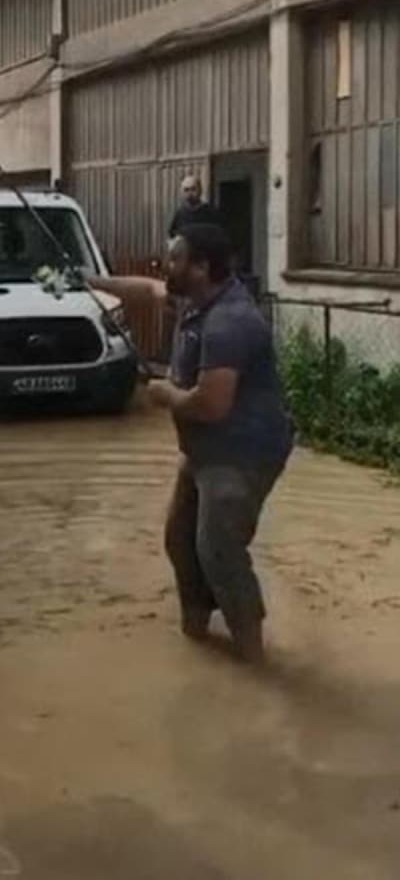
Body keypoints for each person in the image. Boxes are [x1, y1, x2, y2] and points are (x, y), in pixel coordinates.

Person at [88, 224, 293, 662]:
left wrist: (165, 394)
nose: (167, 265)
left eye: (176, 258)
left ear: (202, 267)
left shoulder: (229, 321)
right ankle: (196, 635)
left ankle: (255, 660)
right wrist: (91, 281)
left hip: (243, 451)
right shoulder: (198, 299)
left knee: (218, 547)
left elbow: (211, 404)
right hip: (205, 449)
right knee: (179, 539)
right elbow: (144, 290)